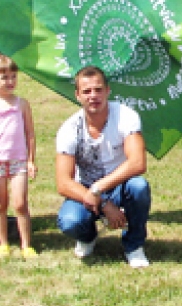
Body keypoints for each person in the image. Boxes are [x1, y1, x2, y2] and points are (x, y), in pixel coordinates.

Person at [56, 66, 152, 268]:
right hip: (86, 191)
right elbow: (63, 183)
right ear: (77, 95)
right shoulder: (69, 128)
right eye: (87, 91)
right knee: (70, 222)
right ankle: (87, 236)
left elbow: (138, 162)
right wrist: (103, 204)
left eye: (98, 89)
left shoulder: (126, 116)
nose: (93, 96)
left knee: (139, 187)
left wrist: (99, 188)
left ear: (108, 91)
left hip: (118, 185)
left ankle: (134, 246)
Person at [0, 53, 37, 258]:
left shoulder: (22, 104)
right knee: (1, 203)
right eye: (4, 77)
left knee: (20, 203)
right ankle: (2, 242)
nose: (10, 81)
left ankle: (26, 244)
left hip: (18, 161)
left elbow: (30, 133)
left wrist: (31, 160)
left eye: (13, 76)